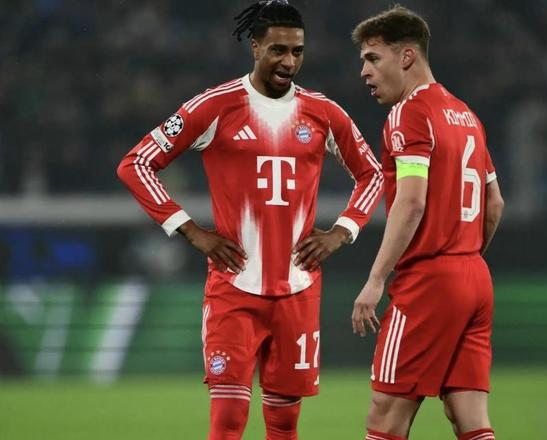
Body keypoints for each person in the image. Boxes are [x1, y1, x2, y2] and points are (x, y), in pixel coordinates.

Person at [117, 1, 383, 439]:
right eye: (278, 50)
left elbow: (373, 173)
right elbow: (136, 164)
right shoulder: (215, 106)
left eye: (297, 51)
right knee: (227, 422)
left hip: (298, 290)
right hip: (233, 290)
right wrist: (191, 231)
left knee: (284, 424)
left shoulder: (323, 113)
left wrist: (342, 232)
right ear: (255, 47)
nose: (289, 61)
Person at [350, 6, 504, 440]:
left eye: (373, 58)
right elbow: (494, 202)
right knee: (469, 416)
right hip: (475, 277)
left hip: (429, 282)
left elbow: (412, 202)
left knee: (385, 414)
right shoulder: (466, 115)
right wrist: (463, 256)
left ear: (407, 56)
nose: (364, 72)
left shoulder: (409, 114)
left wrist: (376, 279)